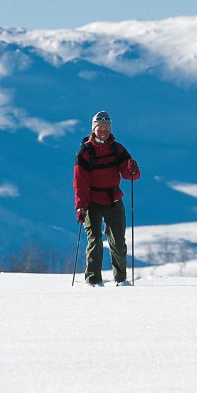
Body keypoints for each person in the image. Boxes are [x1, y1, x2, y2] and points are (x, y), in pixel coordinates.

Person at [73, 110, 141, 286]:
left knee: (118, 242)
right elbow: (79, 182)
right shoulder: (85, 153)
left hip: (113, 200)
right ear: (93, 129)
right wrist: (81, 207)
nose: (103, 131)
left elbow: (131, 175)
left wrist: (131, 168)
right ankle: (94, 281)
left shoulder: (117, 149)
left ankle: (121, 279)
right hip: (92, 202)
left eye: (106, 127)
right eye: (100, 127)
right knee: (94, 241)